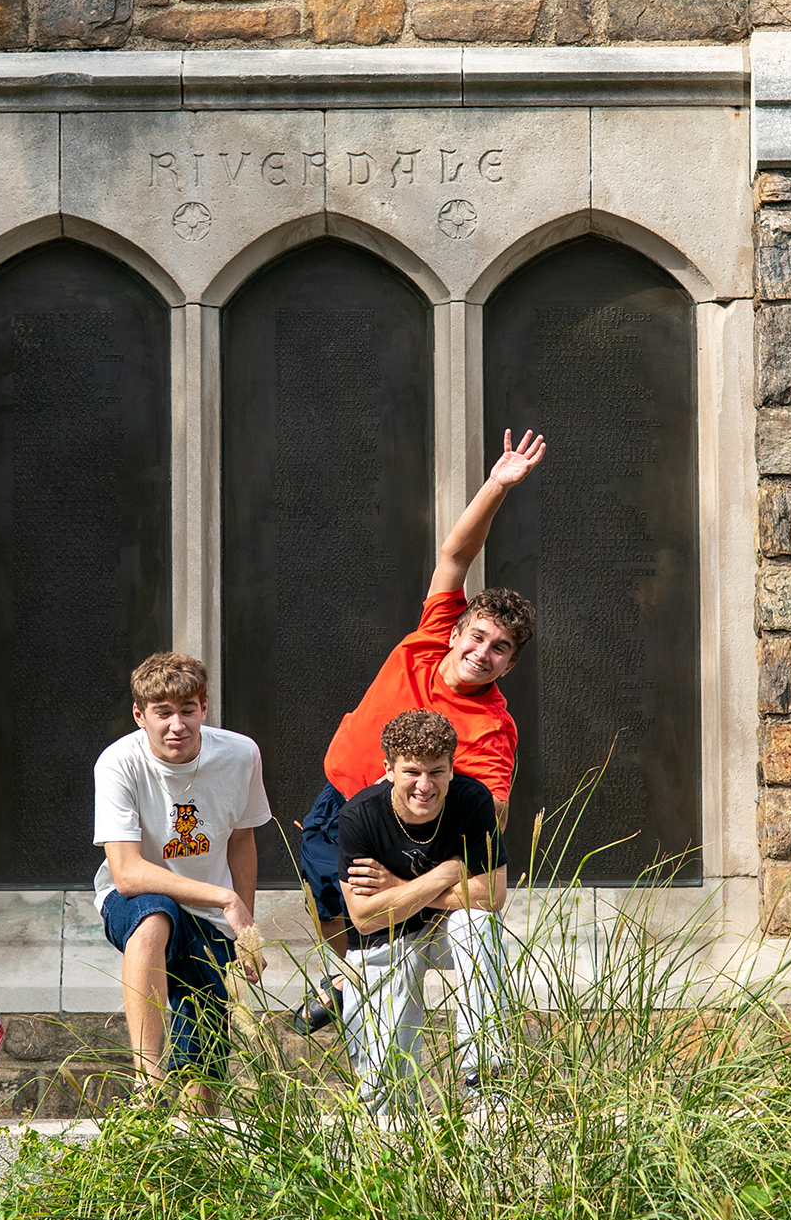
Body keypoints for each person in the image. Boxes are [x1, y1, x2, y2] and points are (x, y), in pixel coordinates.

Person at [292, 428, 545, 1034]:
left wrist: (422, 864)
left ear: (510, 664)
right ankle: (346, 974)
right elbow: (456, 557)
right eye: (478, 636)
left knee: (382, 917)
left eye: (501, 649)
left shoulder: (492, 725)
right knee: (330, 898)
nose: (483, 653)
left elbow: (493, 807)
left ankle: (362, 986)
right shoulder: (432, 634)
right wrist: (496, 485)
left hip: (412, 827)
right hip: (341, 803)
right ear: (458, 631)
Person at [93, 652, 271, 1113]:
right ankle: (147, 1087)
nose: (177, 725)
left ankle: (195, 1157)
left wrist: (242, 929)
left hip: (207, 913)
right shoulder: (118, 763)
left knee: (203, 1072)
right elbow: (127, 872)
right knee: (155, 916)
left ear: (204, 707)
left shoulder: (240, 754)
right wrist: (227, 898)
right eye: (163, 713)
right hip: (132, 899)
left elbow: (241, 841)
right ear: (140, 716)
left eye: (187, 709)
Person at [337, 709, 508, 1113]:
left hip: (451, 932)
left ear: (452, 769)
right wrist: (445, 875)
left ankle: (485, 1082)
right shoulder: (359, 815)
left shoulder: (472, 801)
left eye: (437, 772)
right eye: (412, 771)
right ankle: (394, 1105)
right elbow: (365, 916)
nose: (425, 785)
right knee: (384, 1093)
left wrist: (396, 888)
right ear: (388, 770)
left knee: (478, 923)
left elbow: (492, 896)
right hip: (388, 938)